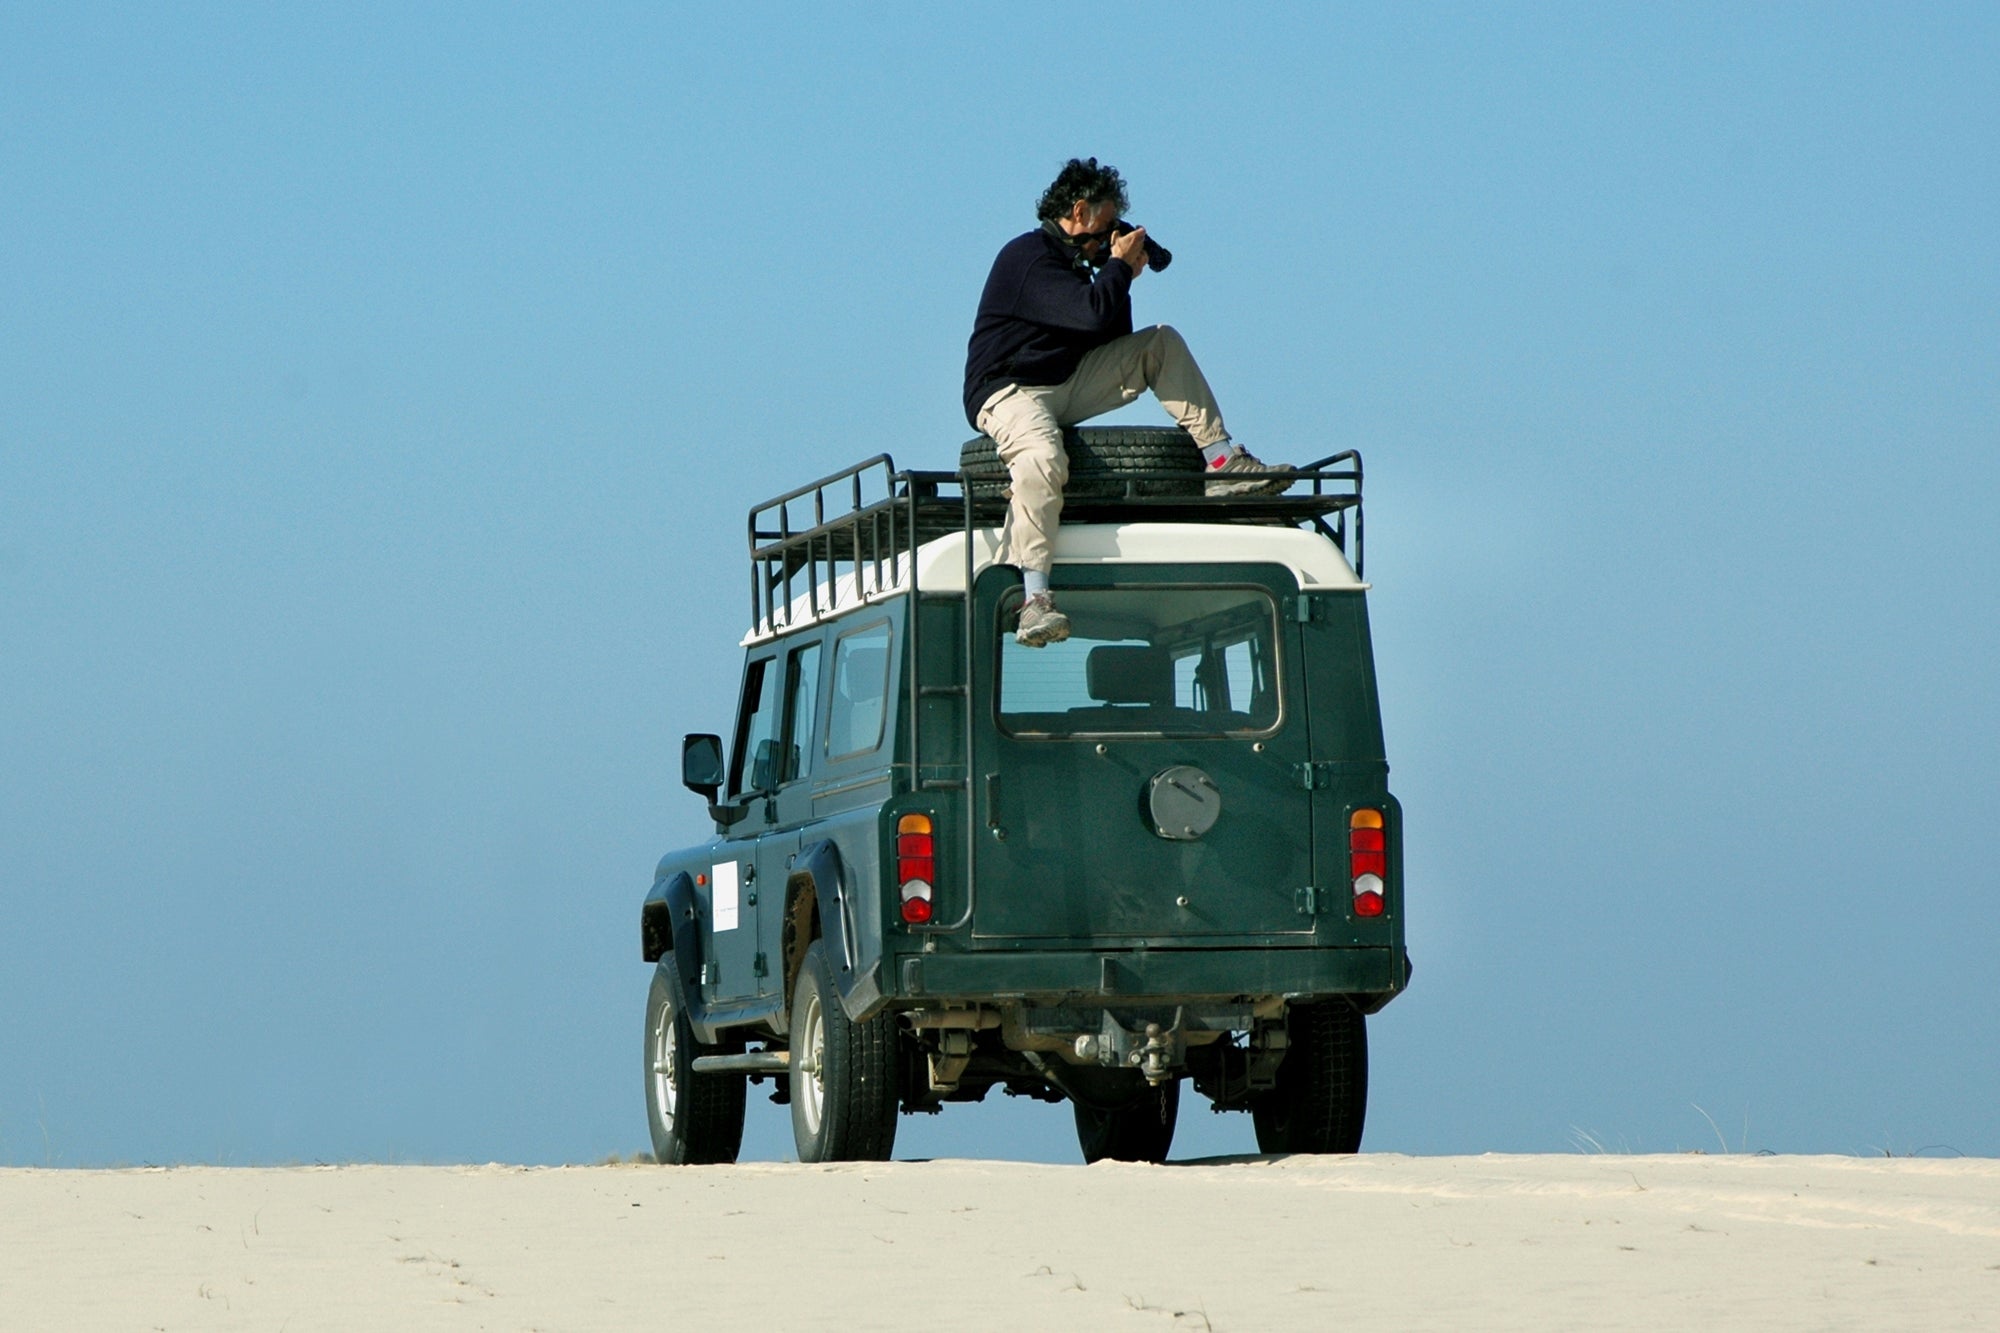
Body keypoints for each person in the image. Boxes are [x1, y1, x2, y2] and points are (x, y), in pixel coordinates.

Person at [964, 157, 1293, 647]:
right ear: (1079, 210)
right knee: (1041, 456)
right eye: (1104, 225)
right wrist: (1115, 266)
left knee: (1159, 343)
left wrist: (1120, 275)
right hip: (1006, 390)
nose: (1106, 239)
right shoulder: (1029, 258)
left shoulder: (1079, 265)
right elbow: (1092, 315)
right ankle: (1033, 599)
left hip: (1064, 382)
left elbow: (1108, 336)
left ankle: (1221, 461)